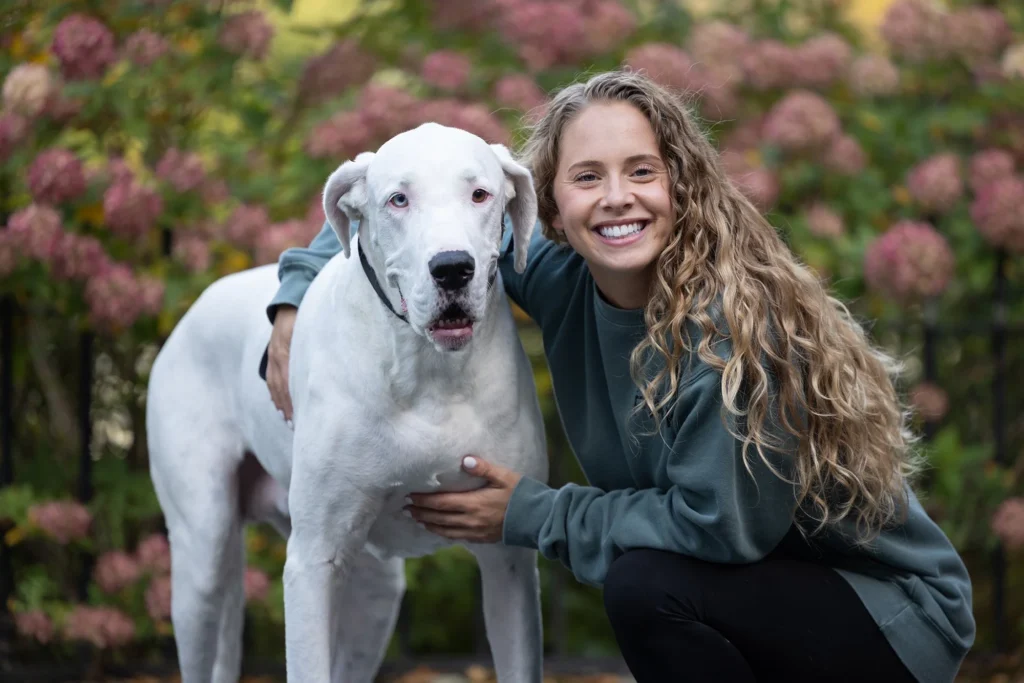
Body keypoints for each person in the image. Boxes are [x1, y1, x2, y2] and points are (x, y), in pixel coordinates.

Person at [261, 70, 974, 682]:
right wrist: (291, 300)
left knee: (645, 586)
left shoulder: (732, 334)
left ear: (680, 185)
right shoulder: (551, 272)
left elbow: (718, 531)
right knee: (648, 583)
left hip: (892, 612)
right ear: (545, 206)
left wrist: (534, 513)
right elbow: (410, 199)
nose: (616, 197)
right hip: (765, 594)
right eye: (587, 177)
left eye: (641, 171)